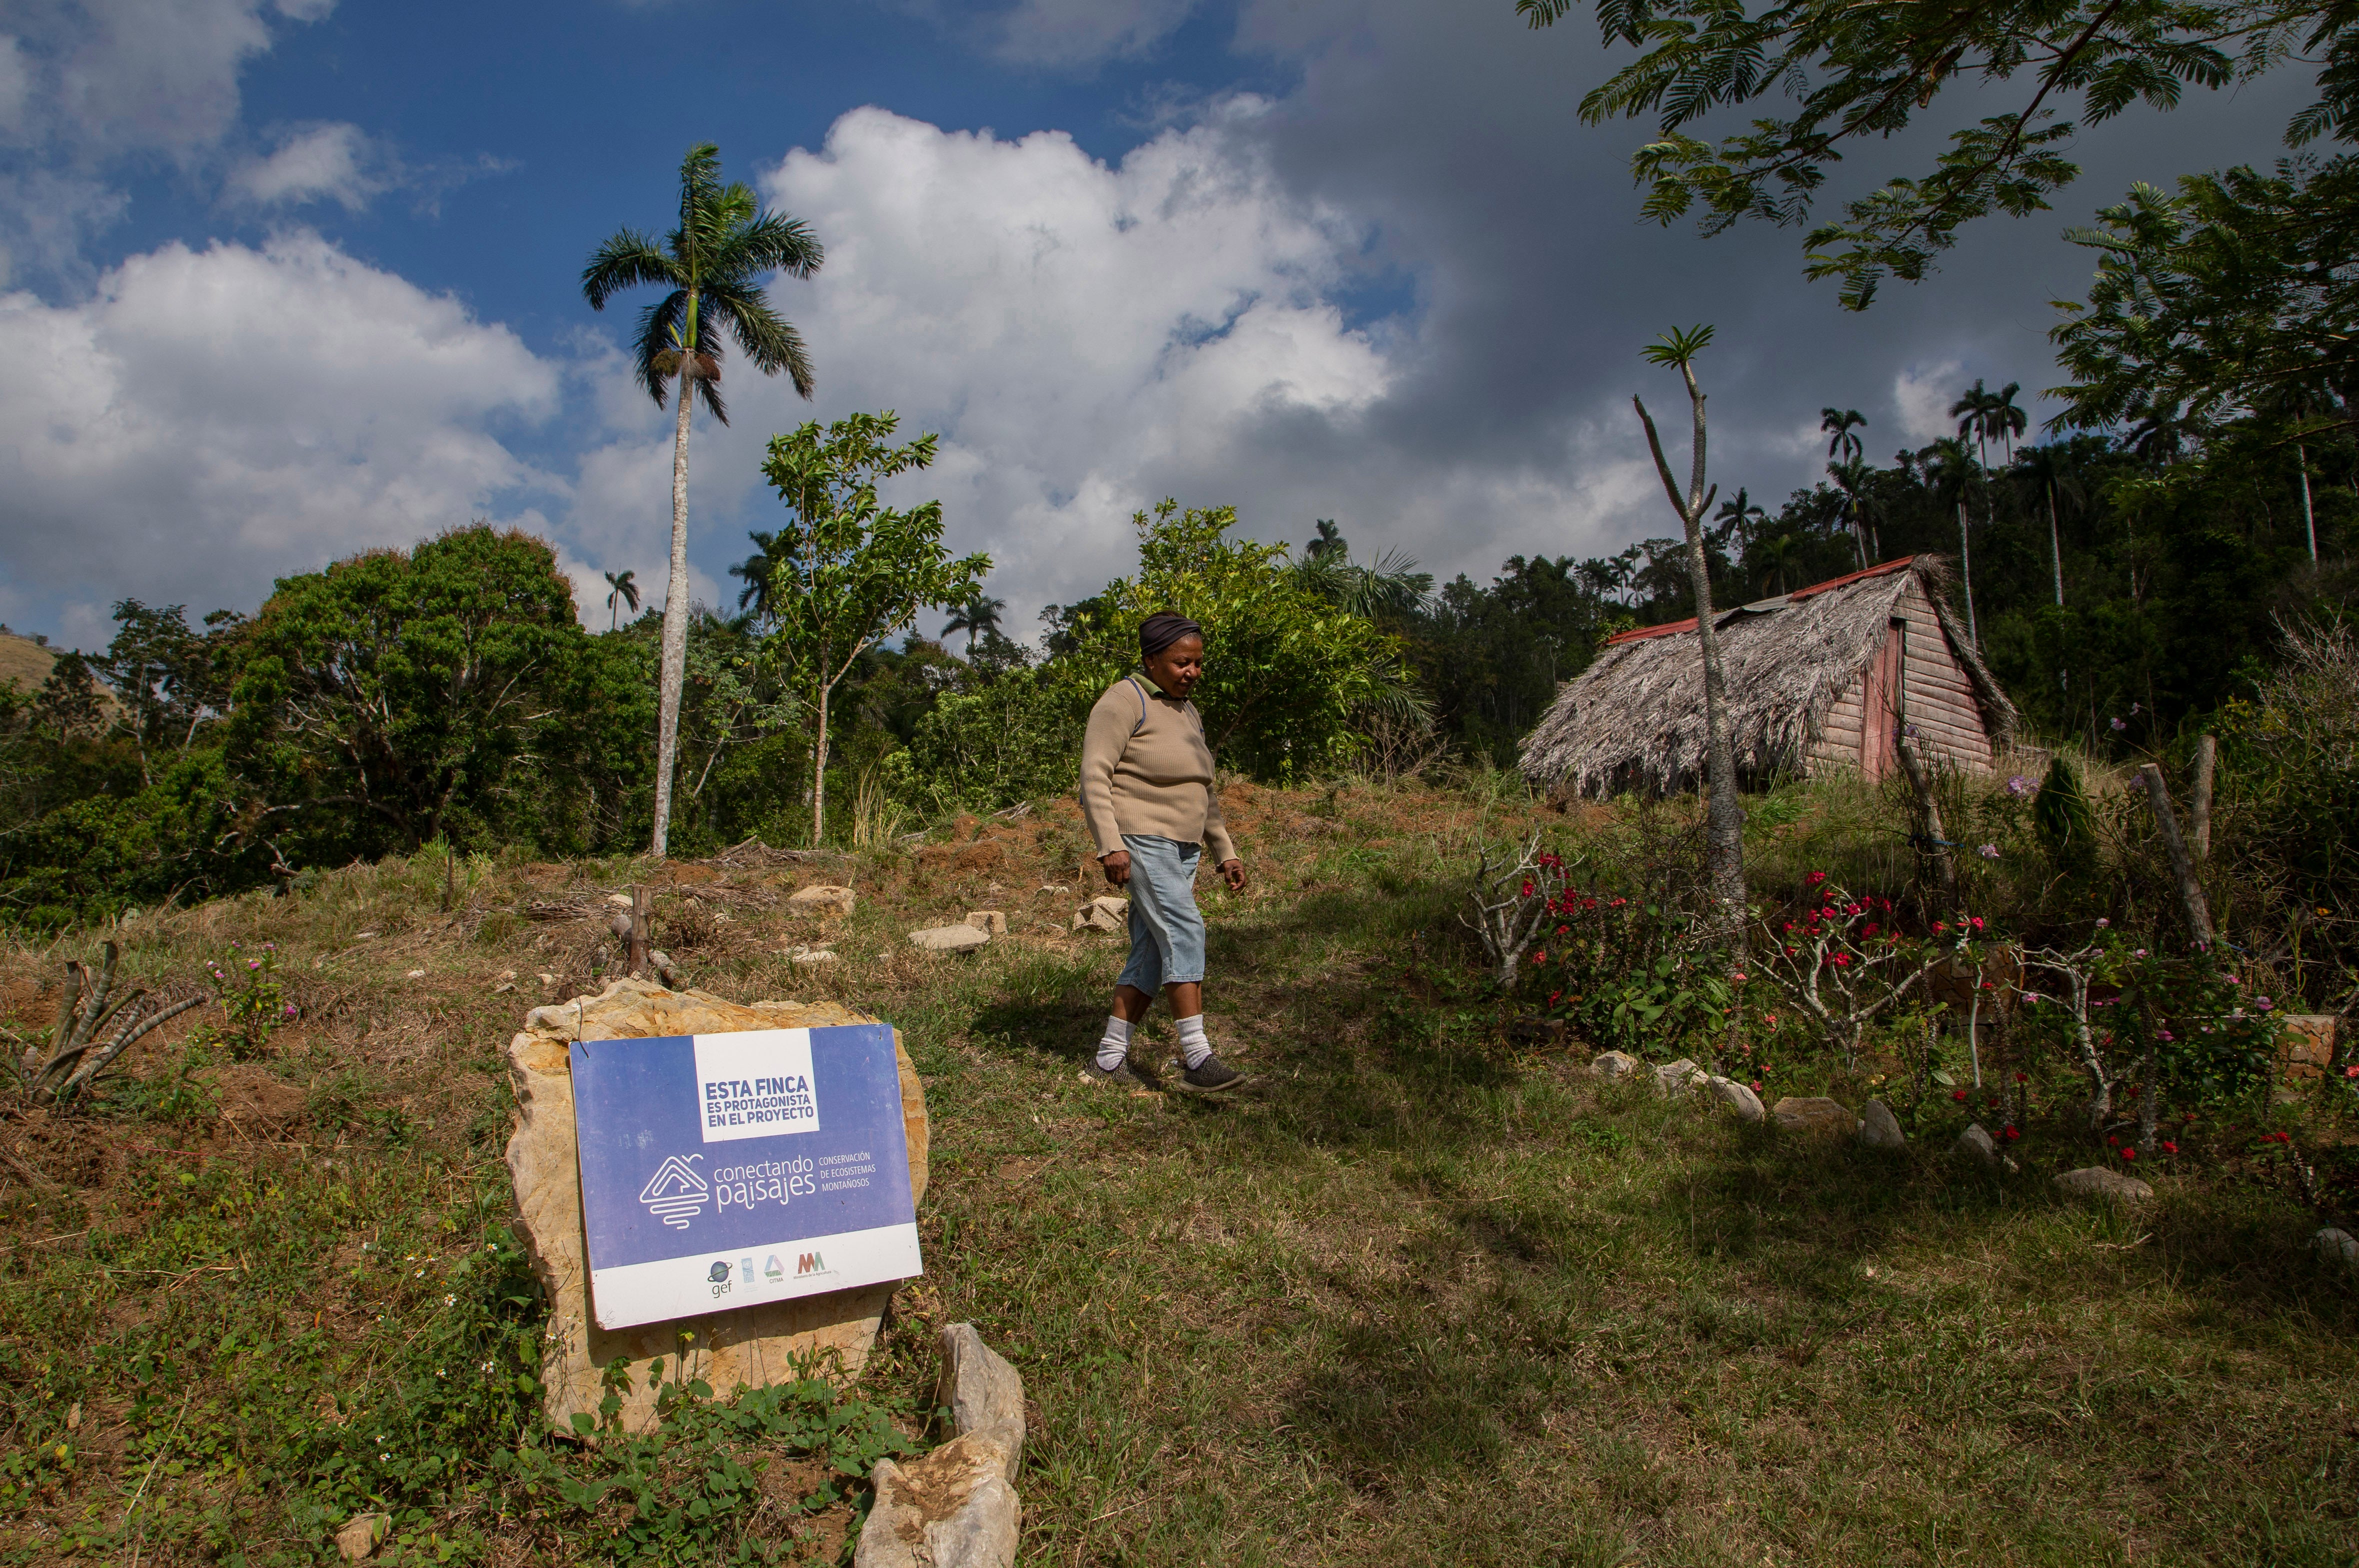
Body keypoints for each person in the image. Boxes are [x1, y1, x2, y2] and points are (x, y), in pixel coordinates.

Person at [1076, 611, 1249, 1091]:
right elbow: (1095, 776)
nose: (1192, 672)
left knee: (1152, 951)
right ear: (1151, 660)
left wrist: (1224, 850)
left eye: (1197, 663)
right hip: (1141, 837)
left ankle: (1109, 1060)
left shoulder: (1187, 712)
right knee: (1185, 928)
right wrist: (1110, 844)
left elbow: (1202, 788)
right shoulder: (1123, 700)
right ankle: (1197, 1057)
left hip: (1184, 845)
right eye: (1181, 663)